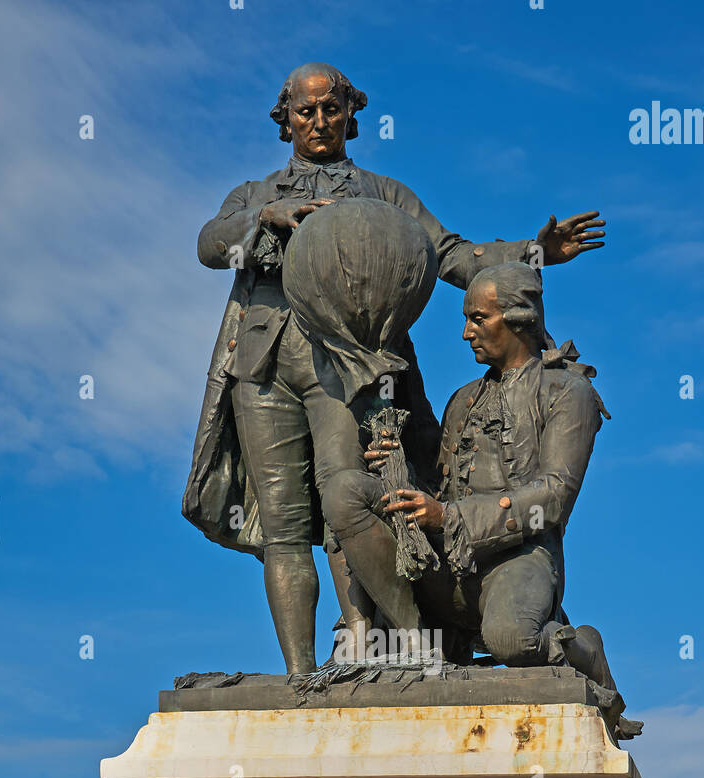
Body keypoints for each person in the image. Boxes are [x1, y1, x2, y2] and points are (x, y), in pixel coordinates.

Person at [183, 61, 607, 674]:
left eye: (333, 108)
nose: (321, 122)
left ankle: (360, 644)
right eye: (307, 111)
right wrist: (262, 224)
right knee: (282, 524)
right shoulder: (256, 194)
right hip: (266, 362)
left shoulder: (385, 195)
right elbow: (208, 245)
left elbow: (452, 254)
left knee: (343, 503)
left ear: (352, 114)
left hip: (348, 366)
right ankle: (301, 677)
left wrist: (535, 252)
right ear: (286, 121)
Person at [325, 261, 639, 737]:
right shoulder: (462, 400)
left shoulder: (568, 393)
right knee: (345, 489)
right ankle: (417, 643)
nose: (466, 332)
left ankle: (583, 648)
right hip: (444, 560)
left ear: (518, 319)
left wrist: (448, 515)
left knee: (512, 642)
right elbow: (439, 485)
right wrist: (397, 471)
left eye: (478, 318)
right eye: (467, 318)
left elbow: (553, 496)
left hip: (518, 558)